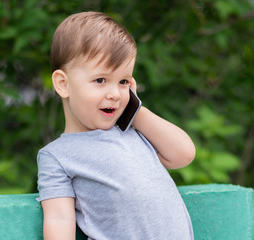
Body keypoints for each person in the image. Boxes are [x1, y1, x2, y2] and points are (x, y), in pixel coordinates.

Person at [36, 11, 196, 240]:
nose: (114, 94)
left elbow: (183, 154)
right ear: (63, 84)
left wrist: (135, 110)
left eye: (123, 82)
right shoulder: (57, 156)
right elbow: (59, 219)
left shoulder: (132, 131)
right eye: (100, 80)